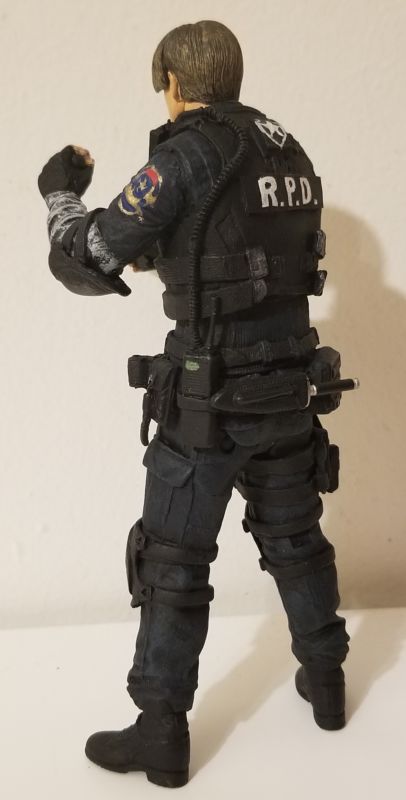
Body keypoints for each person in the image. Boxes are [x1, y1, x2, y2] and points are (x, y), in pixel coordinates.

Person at [38, 20, 351, 789]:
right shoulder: (290, 152)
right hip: (288, 392)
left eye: (164, 89)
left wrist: (59, 194)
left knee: (173, 563)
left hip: (209, 405)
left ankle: (161, 733)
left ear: (175, 84)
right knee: (297, 540)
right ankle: (328, 682)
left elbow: (90, 255)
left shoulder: (185, 157)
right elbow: (223, 252)